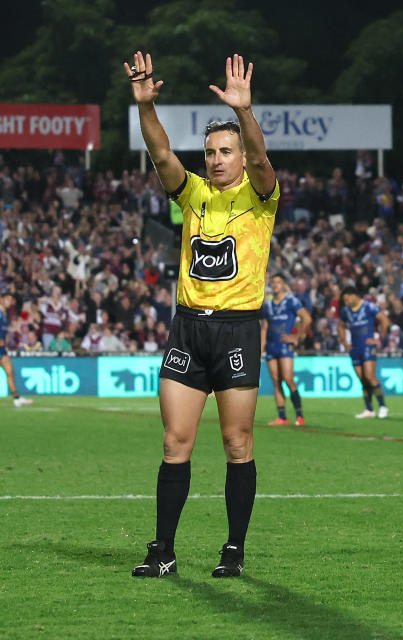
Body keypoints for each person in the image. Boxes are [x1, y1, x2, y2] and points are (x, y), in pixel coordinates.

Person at [125, 51, 279, 578]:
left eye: (225, 151)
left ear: (239, 155)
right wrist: (145, 105)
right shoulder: (191, 193)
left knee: (238, 443)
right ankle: (163, 550)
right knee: (175, 442)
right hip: (189, 328)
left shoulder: (261, 196)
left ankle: (233, 550)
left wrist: (245, 112)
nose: (216, 159)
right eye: (211, 151)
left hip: (237, 329)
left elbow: (262, 161)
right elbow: (161, 152)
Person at [261, 274, 312, 426]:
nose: (275, 285)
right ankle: (282, 417)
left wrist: (297, 338)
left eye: (278, 282)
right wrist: (261, 347)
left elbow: (307, 318)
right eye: (273, 282)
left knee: (289, 380)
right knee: (276, 381)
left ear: (284, 285)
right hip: (271, 346)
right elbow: (265, 327)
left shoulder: (291, 301)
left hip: (285, 346)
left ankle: (299, 416)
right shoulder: (268, 305)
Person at [339, 286, 390, 419]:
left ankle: (383, 406)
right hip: (354, 348)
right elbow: (340, 326)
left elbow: (384, 321)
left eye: (347, 299)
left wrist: (379, 339)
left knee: (370, 376)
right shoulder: (345, 311)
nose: (346, 302)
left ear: (354, 295)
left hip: (368, 347)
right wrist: (345, 343)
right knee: (362, 380)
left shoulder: (369, 307)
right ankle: (369, 409)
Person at [1, 293, 33, 407]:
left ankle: (17, 398)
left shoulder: (5, 314)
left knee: (10, 371)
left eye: (11, 299)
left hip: (1, 350)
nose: (9, 301)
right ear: (1, 299)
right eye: (7, 299)